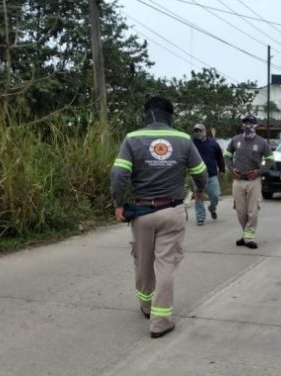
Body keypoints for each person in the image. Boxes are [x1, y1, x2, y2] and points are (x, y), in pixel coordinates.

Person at [110, 96, 208, 339]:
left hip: (142, 213)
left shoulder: (132, 138)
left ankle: (146, 305)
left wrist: (119, 204)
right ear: (169, 115)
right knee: (166, 264)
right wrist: (199, 190)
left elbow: (119, 174)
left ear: (147, 114)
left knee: (143, 262)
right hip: (172, 211)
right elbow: (201, 172)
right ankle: (160, 321)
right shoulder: (184, 139)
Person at [223, 115, 274, 249]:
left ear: (256, 125)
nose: (248, 126)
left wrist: (259, 171)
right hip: (238, 180)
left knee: (253, 211)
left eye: (251, 123)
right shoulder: (235, 140)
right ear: (242, 125)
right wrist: (230, 168)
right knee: (241, 211)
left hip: (254, 181)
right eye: (245, 123)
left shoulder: (262, 142)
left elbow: (270, 159)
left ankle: (248, 238)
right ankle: (246, 234)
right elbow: (227, 156)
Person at [191, 123, 225, 226]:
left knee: (215, 196)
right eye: (196, 131)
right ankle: (200, 217)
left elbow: (219, 157)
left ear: (204, 131)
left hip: (212, 174)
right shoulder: (192, 143)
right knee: (198, 197)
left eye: (200, 130)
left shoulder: (213, 143)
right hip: (197, 175)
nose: (198, 133)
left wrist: (222, 169)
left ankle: (212, 208)